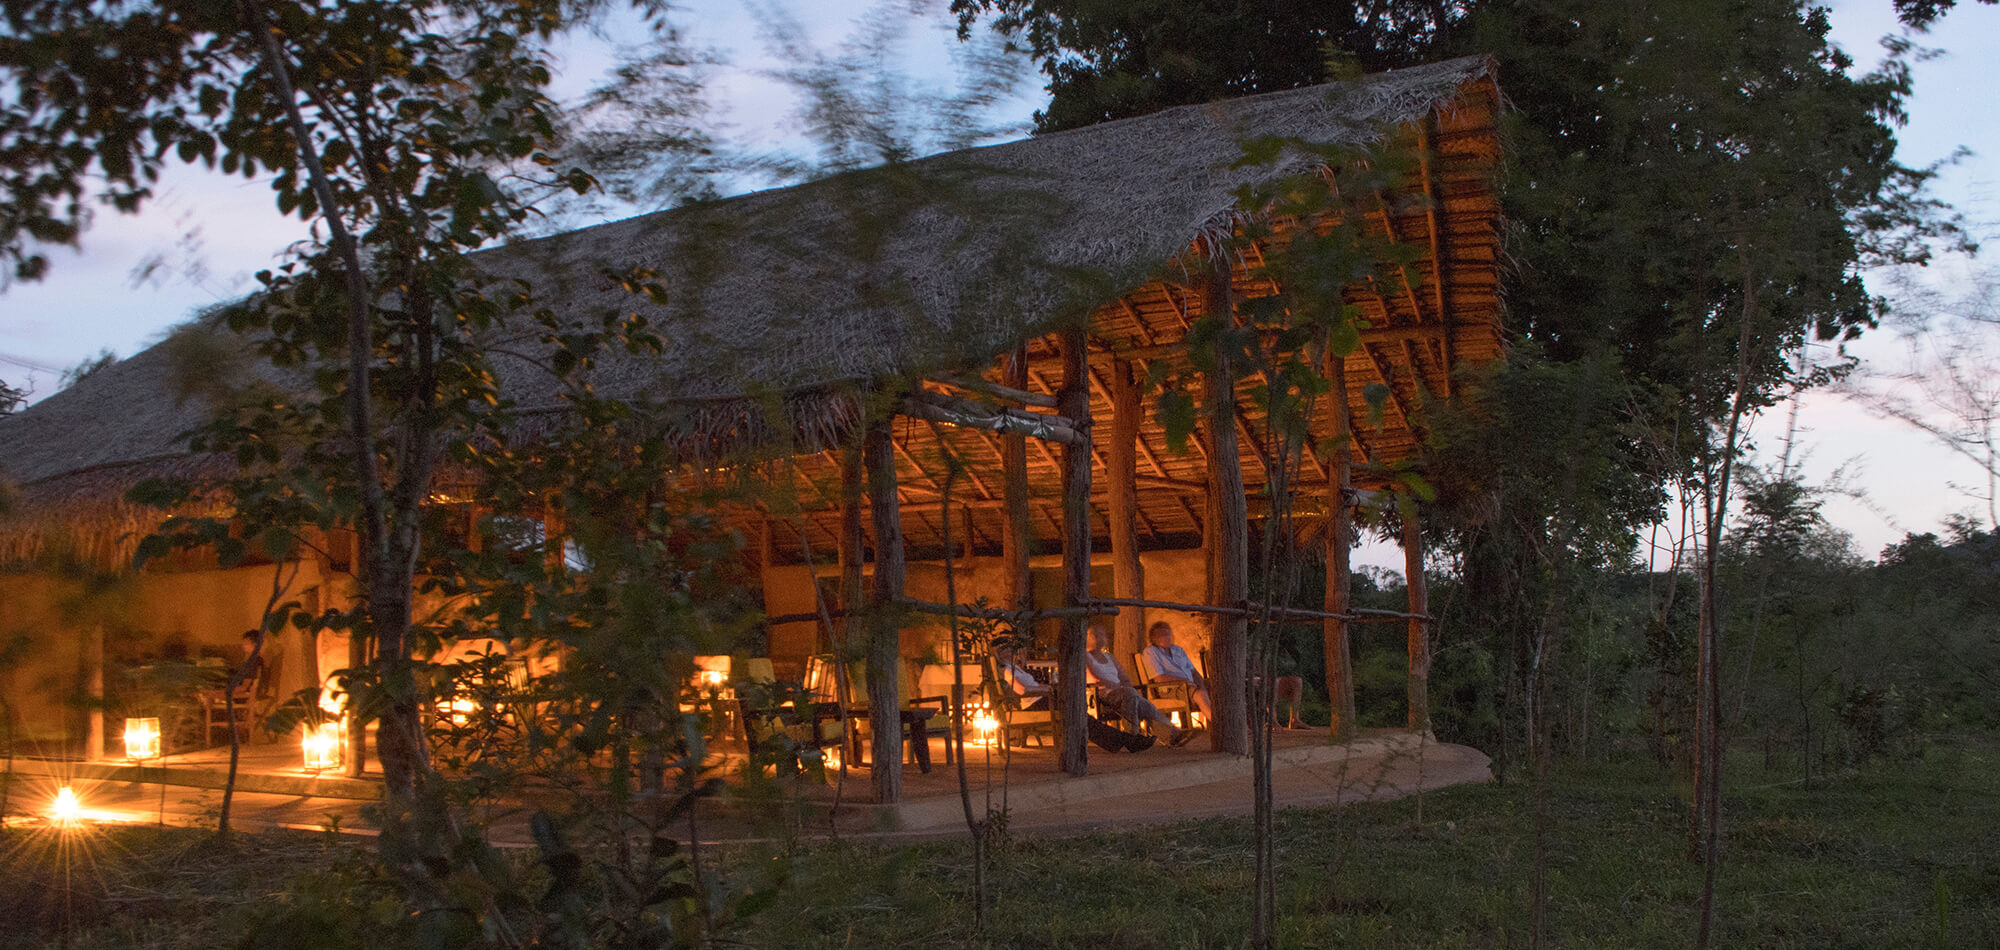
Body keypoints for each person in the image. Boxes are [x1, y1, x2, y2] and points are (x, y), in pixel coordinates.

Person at [994, 644, 1156, 753]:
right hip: (1036, 704)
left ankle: (1126, 741)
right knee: (1081, 717)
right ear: (999, 655)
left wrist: (1046, 689)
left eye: (1010, 650)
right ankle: (1127, 741)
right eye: (1005, 652)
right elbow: (1021, 690)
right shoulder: (1008, 671)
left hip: (1044, 700)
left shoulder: (1016, 669)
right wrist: (1045, 688)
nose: (1010, 653)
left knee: (1082, 716)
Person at [1086, 627, 1197, 747]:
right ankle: (1132, 737)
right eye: (1096, 635)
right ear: (1088, 638)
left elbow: (1123, 677)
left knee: (1146, 706)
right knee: (1129, 694)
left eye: (1102, 635)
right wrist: (1119, 688)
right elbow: (1094, 678)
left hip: (1121, 693)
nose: (1100, 638)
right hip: (1101, 694)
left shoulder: (1109, 657)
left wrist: (1132, 690)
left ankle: (1173, 736)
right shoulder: (1085, 656)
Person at [1142, 621, 1215, 725]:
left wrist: (1202, 684)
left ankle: (1225, 724)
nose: (1168, 637)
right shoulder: (1151, 651)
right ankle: (1219, 725)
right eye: (1164, 634)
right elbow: (1159, 678)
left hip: (1189, 684)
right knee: (1200, 694)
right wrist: (1185, 681)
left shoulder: (1178, 650)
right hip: (1170, 688)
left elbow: (1193, 671)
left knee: (1217, 688)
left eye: (1169, 634)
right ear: (1154, 638)